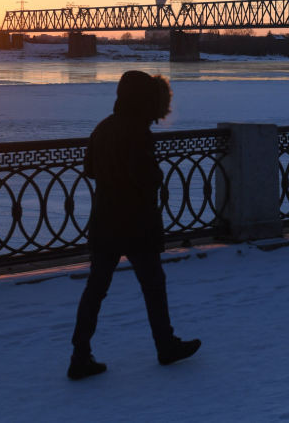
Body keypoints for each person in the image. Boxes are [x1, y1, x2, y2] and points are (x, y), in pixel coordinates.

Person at [68, 70, 200, 380]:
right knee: (154, 288)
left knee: (95, 290)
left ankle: (79, 354)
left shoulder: (104, 128)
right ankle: (165, 345)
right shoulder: (137, 132)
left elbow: (89, 168)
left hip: (105, 220)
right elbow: (147, 178)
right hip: (137, 223)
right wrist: (152, 178)